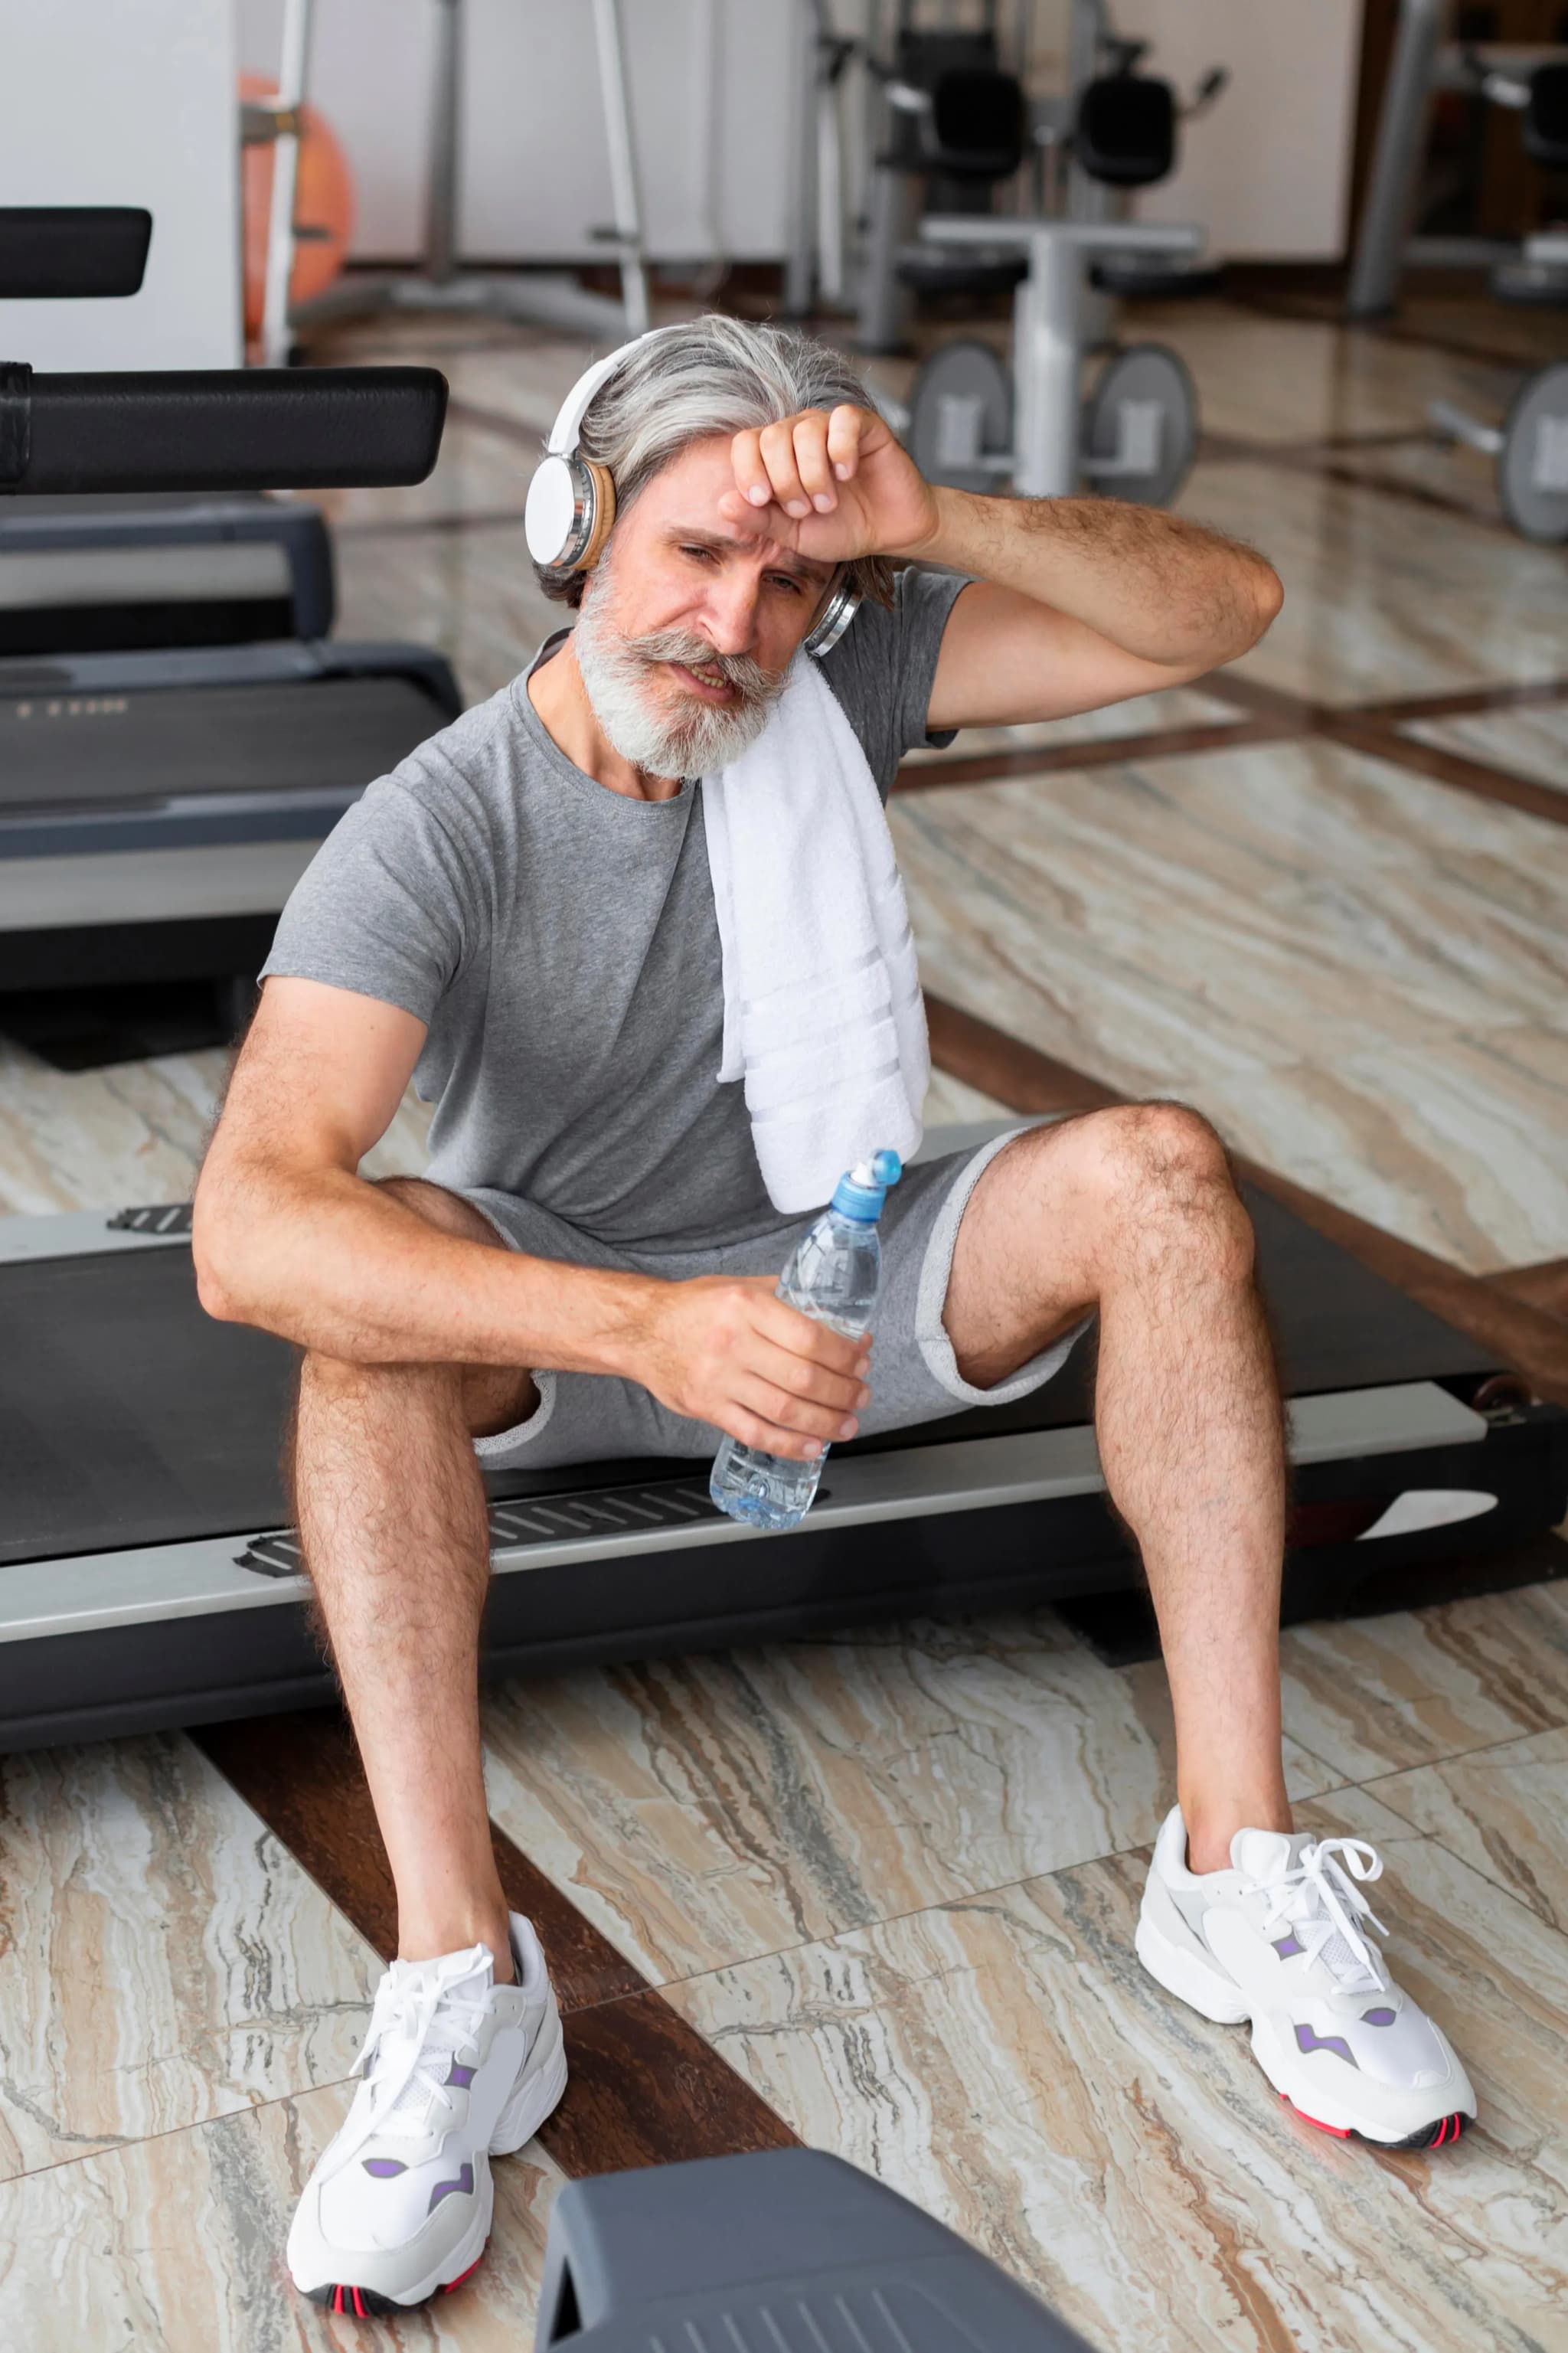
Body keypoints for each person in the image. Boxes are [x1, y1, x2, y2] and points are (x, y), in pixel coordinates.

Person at [193, 317, 1475, 2315]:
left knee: (1159, 1173)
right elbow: (244, 1227)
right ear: (580, 521)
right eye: (696, 553)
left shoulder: (829, 683)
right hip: (588, 1317)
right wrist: (649, 1326)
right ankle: (462, 1974)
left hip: (843, 1287)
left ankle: (1232, 1869)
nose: (734, 621)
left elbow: (1225, 608)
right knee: (359, 1310)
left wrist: (929, 516)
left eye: (787, 575)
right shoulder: (437, 826)